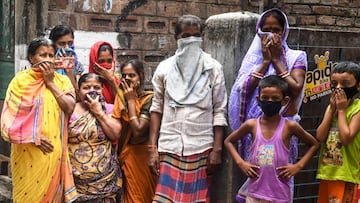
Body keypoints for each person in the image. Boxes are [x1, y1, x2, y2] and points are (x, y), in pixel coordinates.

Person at [227, 8, 307, 200]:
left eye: (277, 30)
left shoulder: (295, 57)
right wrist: (265, 62)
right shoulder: (252, 59)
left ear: (284, 31)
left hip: (283, 131)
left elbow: (295, 89)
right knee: (256, 174)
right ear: (259, 31)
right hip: (256, 129)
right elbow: (243, 90)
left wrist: (277, 61)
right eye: (266, 29)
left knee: (279, 176)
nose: (272, 34)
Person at [148, 14, 228, 202]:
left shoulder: (213, 68)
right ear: (176, 38)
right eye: (185, 36)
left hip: (201, 146)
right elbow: (156, 108)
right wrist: (152, 148)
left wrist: (217, 149)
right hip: (170, 145)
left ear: (202, 37)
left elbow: (219, 109)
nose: (191, 40)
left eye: (196, 35)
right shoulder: (164, 69)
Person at [1, 37, 77, 202]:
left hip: (54, 154)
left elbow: (70, 107)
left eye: (51, 55)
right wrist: (34, 136)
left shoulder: (62, 81)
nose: (48, 60)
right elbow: (9, 121)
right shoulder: (20, 82)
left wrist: (50, 83)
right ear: (31, 58)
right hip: (28, 153)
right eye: (43, 55)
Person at [225, 75, 319, 202]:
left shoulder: (289, 126)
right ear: (258, 99)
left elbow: (314, 144)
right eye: (265, 98)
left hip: (279, 195)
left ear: (284, 101)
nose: (269, 101)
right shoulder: (251, 125)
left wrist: (298, 166)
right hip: (254, 194)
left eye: (275, 98)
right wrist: (241, 163)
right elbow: (229, 141)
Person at [68, 73, 123, 202]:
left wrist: (99, 112)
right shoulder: (70, 110)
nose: (92, 91)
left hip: (106, 180)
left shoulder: (109, 109)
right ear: (78, 90)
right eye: (86, 87)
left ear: (102, 90)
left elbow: (115, 134)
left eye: (96, 87)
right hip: (77, 182)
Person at [112, 59, 157, 202]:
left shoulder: (149, 99)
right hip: (127, 155)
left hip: (144, 156)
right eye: (124, 76)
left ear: (141, 76)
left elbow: (138, 130)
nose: (127, 79)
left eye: (132, 75)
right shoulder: (121, 98)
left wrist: (131, 101)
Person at [316, 62, 360, 203]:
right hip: (327, 172)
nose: (339, 88)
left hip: (346, 175)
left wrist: (341, 110)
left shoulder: (357, 109)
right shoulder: (331, 107)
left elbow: (346, 138)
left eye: (345, 84)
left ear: (357, 86)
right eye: (335, 83)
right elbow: (320, 136)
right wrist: (332, 110)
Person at [49, 25, 84, 98]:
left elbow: (78, 96)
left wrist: (69, 71)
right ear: (53, 45)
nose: (67, 47)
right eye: (62, 44)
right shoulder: (46, 64)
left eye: (70, 43)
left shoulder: (77, 66)